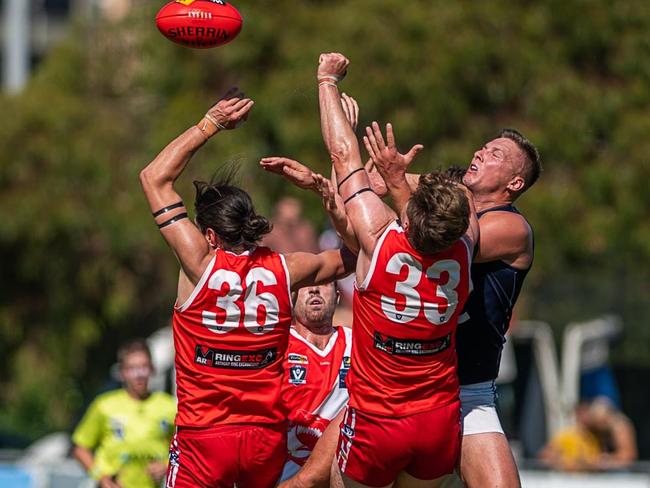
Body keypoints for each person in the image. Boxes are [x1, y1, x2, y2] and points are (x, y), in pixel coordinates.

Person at [138, 87, 355, 488]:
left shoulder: (198, 263)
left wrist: (212, 124)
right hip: (264, 440)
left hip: (204, 437)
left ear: (209, 234)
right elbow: (356, 254)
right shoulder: (284, 270)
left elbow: (154, 177)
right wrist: (323, 189)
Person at [317, 52, 479, 488]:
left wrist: (326, 80)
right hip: (437, 419)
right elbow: (459, 205)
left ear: (407, 216)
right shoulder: (466, 246)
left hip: (377, 419)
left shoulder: (378, 237)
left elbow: (342, 153)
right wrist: (401, 186)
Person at [363, 118, 541, 487]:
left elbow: (446, 241)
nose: (480, 152)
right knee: (311, 478)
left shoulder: (512, 228)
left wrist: (400, 181)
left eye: (496, 154)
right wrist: (386, 177)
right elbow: (421, 190)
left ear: (514, 183)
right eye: (483, 146)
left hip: (468, 390)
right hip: (403, 384)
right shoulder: (455, 200)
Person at [72, 339, 176, 488]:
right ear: (122, 372)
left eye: (143, 367)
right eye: (132, 369)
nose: (139, 375)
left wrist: (167, 466)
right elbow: (80, 448)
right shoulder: (104, 405)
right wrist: (100, 477)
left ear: (152, 369)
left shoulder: (169, 406)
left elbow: (185, 447)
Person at [279, 282, 351, 488]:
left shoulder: (358, 346)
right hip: (279, 477)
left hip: (335, 477)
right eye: (306, 284)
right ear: (292, 297)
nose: (314, 289)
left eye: (324, 284)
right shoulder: (275, 346)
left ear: (337, 297)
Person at [539, 398, 637, 472]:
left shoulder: (619, 427)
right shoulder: (569, 434)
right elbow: (546, 455)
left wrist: (608, 461)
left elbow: (628, 455)